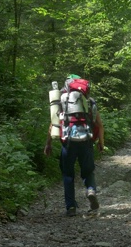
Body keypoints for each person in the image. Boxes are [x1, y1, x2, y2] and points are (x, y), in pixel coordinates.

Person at [44, 75, 105, 216]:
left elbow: (53, 124)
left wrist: (48, 144)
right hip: (87, 142)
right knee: (88, 171)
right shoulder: (90, 102)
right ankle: (90, 190)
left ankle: (71, 207)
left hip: (68, 144)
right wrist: (101, 143)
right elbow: (99, 125)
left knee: (68, 175)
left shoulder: (61, 102)